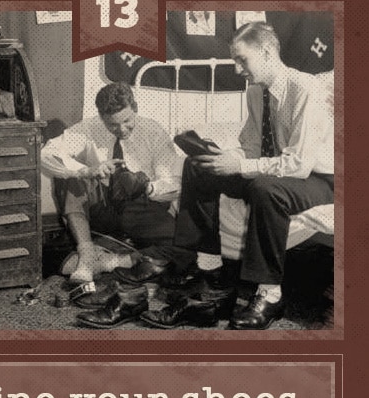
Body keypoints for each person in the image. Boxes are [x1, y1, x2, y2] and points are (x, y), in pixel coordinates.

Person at [119, 21, 334, 330]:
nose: (237, 69)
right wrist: (226, 156)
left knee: (264, 188)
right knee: (198, 166)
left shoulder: (305, 90)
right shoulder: (255, 90)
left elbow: (299, 165)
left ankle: (270, 295)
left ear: (268, 52)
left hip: (321, 179)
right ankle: (210, 270)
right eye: (234, 60)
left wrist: (243, 167)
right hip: (278, 171)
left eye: (242, 59)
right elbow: (250, 144)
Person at [41, 82, 182, 285]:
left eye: (126, 121)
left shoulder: (154, 131)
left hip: (139, 206)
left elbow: (173, 183)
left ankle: (110, 262)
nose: (121, 129)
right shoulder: (89, 127)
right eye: (112, 125)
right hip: (102, 208)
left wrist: (147, 187)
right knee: (70, 174)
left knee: (181, 245)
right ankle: (87, 252)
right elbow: (47, 154)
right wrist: (86, 170)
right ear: (101, 117)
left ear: (135, 108)